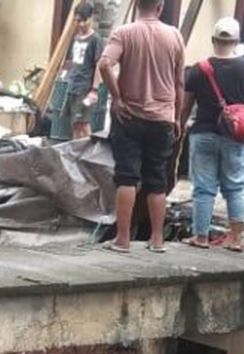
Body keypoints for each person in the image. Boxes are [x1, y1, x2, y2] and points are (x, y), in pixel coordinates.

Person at [97, 0, 186, 254]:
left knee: (127, 177)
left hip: (129, 117)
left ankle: (122, 240)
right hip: (162, 119)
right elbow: (180, 82)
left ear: (136, 5)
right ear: (160, 7)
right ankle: (157, 240)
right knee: (157, 179)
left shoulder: (124, 33)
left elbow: (104, 64)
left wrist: (117, 97)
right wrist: (177, 117)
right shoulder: (175, 37)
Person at [179, 18, 244, 253]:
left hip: (203, 133)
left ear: (214, 40)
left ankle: (201, 236)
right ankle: (235, 239)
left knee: (204, 188)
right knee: (235, 187)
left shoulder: (198, 69)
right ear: (236, 41)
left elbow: (186, 106)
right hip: (236, 136)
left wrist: (179, 127)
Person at [63, 2, 103, 140]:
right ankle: (75, 154)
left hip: (85, 88)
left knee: (84, 124)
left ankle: (87, 155)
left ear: (91, 18)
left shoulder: (95, 40)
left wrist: (94, 89)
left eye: (83, 20)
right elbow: (74, 62)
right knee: (74, 124)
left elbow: (99, 65)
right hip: (72, 86)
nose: (80, 24)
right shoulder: (76, 38)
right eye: (78, 21)